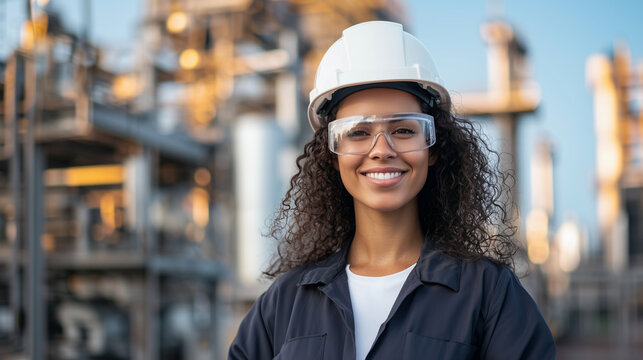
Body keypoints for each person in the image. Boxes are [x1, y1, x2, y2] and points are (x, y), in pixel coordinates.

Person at [228, 21, 556, 359]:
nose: (381, 149)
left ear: (434, 149)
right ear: (331, 155)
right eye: (357, 132)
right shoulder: (284, 302)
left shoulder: (489, 294)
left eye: (402, 130)